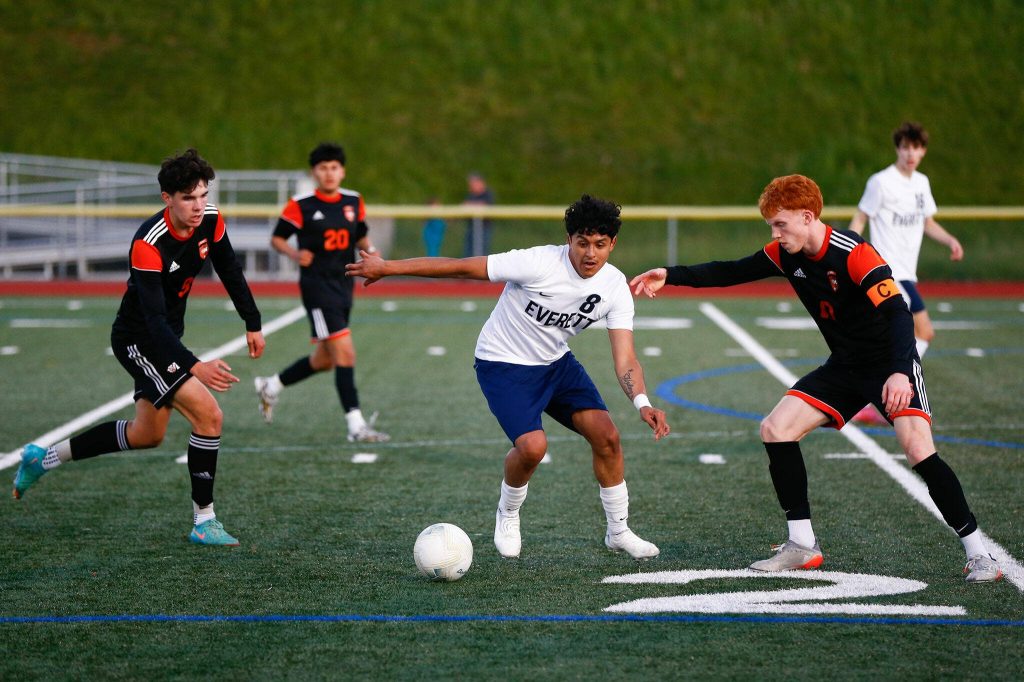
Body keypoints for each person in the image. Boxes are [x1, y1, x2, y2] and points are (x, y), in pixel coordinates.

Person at [630, 174, 1002, 583]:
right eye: (771, 225)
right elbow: (731, 270)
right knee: (775, 429)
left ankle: (979, 554)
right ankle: (802, 544)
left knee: (917, 449)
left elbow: (898, 312)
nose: (774, 234)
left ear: (807, 217)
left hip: (889, 361)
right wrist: (670, 274)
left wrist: (899, 372)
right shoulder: (785, 254)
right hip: (845, 364)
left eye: (780, 224)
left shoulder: (854, 253)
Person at [347, 194, 670, 559]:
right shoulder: (537, 262)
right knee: (533, 448)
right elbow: (460, 267)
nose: (590, 254)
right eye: (582, 243)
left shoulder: (614, 287)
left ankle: (618, 531)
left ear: (613, 244)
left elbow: (625, 357)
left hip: (555, 364)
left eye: (599, 244)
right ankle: (508, 512)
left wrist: (642, 403)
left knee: (608, 437)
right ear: (569, 240)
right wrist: (388, 267)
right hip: (502, 362)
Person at [13, 149, 265, 546]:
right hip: (138, 340)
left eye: (203, 195)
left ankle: (41, 458)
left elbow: (230, 268)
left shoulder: (211, 219)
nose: (199, 206)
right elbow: (152, 322)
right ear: (167, 198)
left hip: (166, 338)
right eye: (188, 198)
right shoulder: (148, 245)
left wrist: (252, 322)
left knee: (147, 435)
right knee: (209, 416)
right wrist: (194, 366)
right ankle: (204, 521)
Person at [254, 142, 388, 442]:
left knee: (325, 360)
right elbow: (277, 238)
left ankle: (270, 385)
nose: (329, 173)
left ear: (342, 171)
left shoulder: (354, 201)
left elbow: (362, 236)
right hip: (317, 288)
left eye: (334, 167)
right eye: (323, 168)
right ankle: (356, 425)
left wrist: (375, 256)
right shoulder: (301, 204)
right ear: (314, 172)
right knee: (346, 353)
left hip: (344, 285)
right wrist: (293, 253)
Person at [849, 121, 964, 424]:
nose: (911, 153)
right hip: (887, 272)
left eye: (916, 148)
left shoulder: (921, 183)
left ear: (923, 151)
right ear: (898, 149)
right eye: (905, 147)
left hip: (906, 273)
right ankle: (886, 392)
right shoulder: (881, 182)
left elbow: (927, 223)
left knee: (893, 338)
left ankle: (874, 395)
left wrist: (950, 239)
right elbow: (860, 218)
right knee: (923, 332)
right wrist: (848, 254)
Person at [462, 172, 495, 257]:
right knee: (469, 254)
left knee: (481, 255)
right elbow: (464, 206)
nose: (471, 186)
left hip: (483, 229)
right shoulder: (471, 195)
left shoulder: (487, 193)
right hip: (471, 228)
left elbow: (484, 205)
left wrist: (470, 205)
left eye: (473, 183)